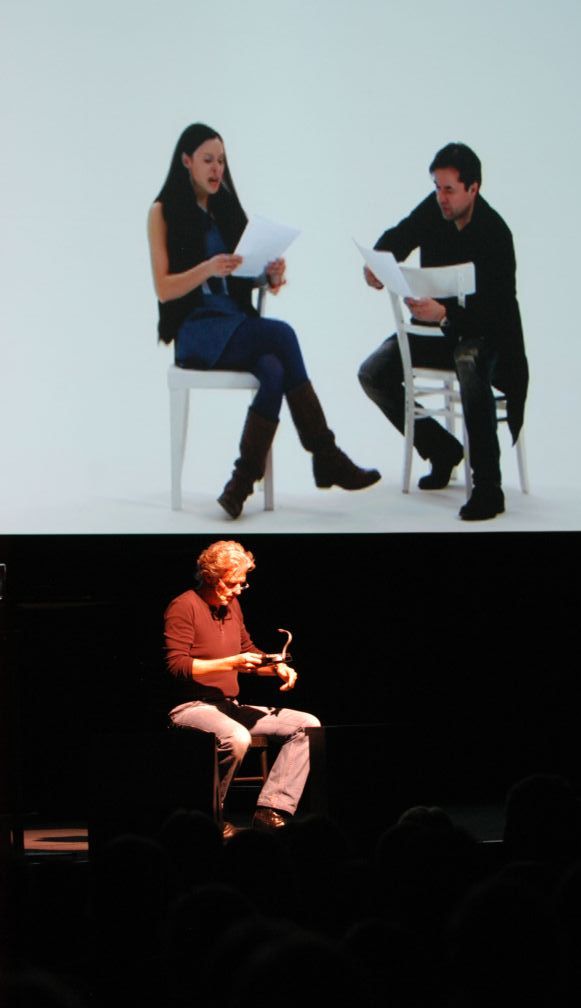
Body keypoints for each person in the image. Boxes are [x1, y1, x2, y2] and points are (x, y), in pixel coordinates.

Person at [149, 123, 379, 518]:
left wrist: (268, 276)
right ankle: (325, 453)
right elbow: (163, 288)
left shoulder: (225, 208)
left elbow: (239, 275)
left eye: (221, 160)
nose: (217, 168)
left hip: (234, 323)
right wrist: (206, 269)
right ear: (186, 161)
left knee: (273, 369)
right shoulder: (162, 212)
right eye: (207, 160)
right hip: (196, 332)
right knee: (283, 335)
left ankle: (240, 485)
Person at [359, 143, 528, 521]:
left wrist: (446, 313)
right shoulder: (435, 209)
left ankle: (488, 487)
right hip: (437, 334)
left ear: (473, 188)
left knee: (469, 361)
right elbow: (399, 236)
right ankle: (442, 449)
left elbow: (497, 313)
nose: (441, 197)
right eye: (437, 186)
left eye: (449, 189)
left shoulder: (497, 234)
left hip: (488, 339)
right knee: (373, 373)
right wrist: (377, 264)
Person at [164, 540, 321, 837]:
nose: (239, 589)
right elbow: (178, 666)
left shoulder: (231, 607)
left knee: (307, 725)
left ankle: (272, 809)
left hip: (228, 705)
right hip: (191, 707)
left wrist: (275, 667)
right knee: (235, 737)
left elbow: (247, 650)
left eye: (243, 583)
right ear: (213, 578)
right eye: (234, 583)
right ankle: (208, 817)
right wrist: (231, 662)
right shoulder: (183, 606)